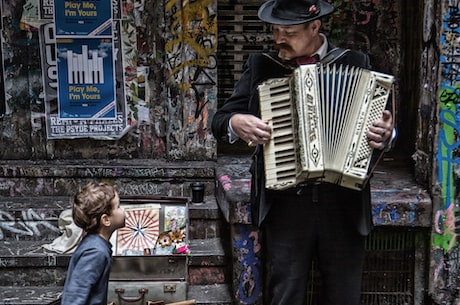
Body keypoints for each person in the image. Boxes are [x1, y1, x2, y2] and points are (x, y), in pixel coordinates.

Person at [211, 0, 396, 304]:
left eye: (289, 32)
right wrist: (236, 121)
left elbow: (384, 128)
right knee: (285, 295)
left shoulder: (356, 62)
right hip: (286, 205)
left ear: (315, 27)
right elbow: (220, 120)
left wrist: (387, 135)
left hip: (343, 203)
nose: (279, 39)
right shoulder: (262, 66)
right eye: (276, 31)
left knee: (344, 296)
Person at [61, 182, 125, 305]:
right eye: (118, 207)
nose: (123, 210)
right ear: (106, 220)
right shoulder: (95, 252)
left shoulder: (96, 244)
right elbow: (74, 297)